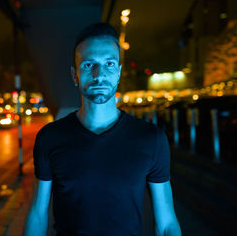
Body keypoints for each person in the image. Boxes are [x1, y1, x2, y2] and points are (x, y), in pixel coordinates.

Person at [24, 23, 181, 236]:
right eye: (89, 65)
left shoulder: (151, 139)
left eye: (109, 63)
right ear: (74, 75)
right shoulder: (50, 137)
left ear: (118, 73)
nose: (99, 75)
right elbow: (37, 214)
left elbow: (166, 224)